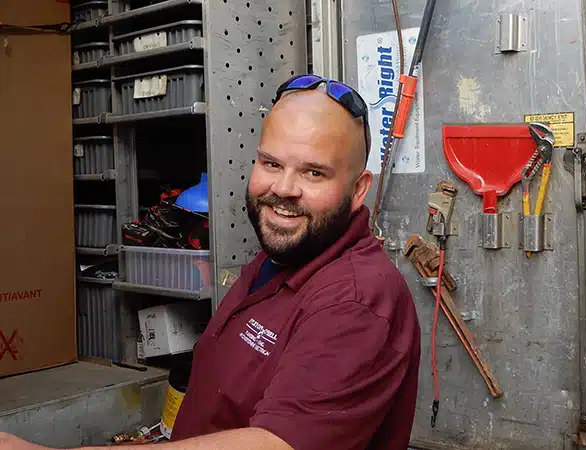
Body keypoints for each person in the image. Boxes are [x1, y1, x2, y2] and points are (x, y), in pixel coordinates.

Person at [0, 74, 421, 450]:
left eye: (314, 173)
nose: (283, 188)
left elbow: (276, 444)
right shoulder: (285, 254)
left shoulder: (356, 300)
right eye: (271, 163)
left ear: (359, 188)